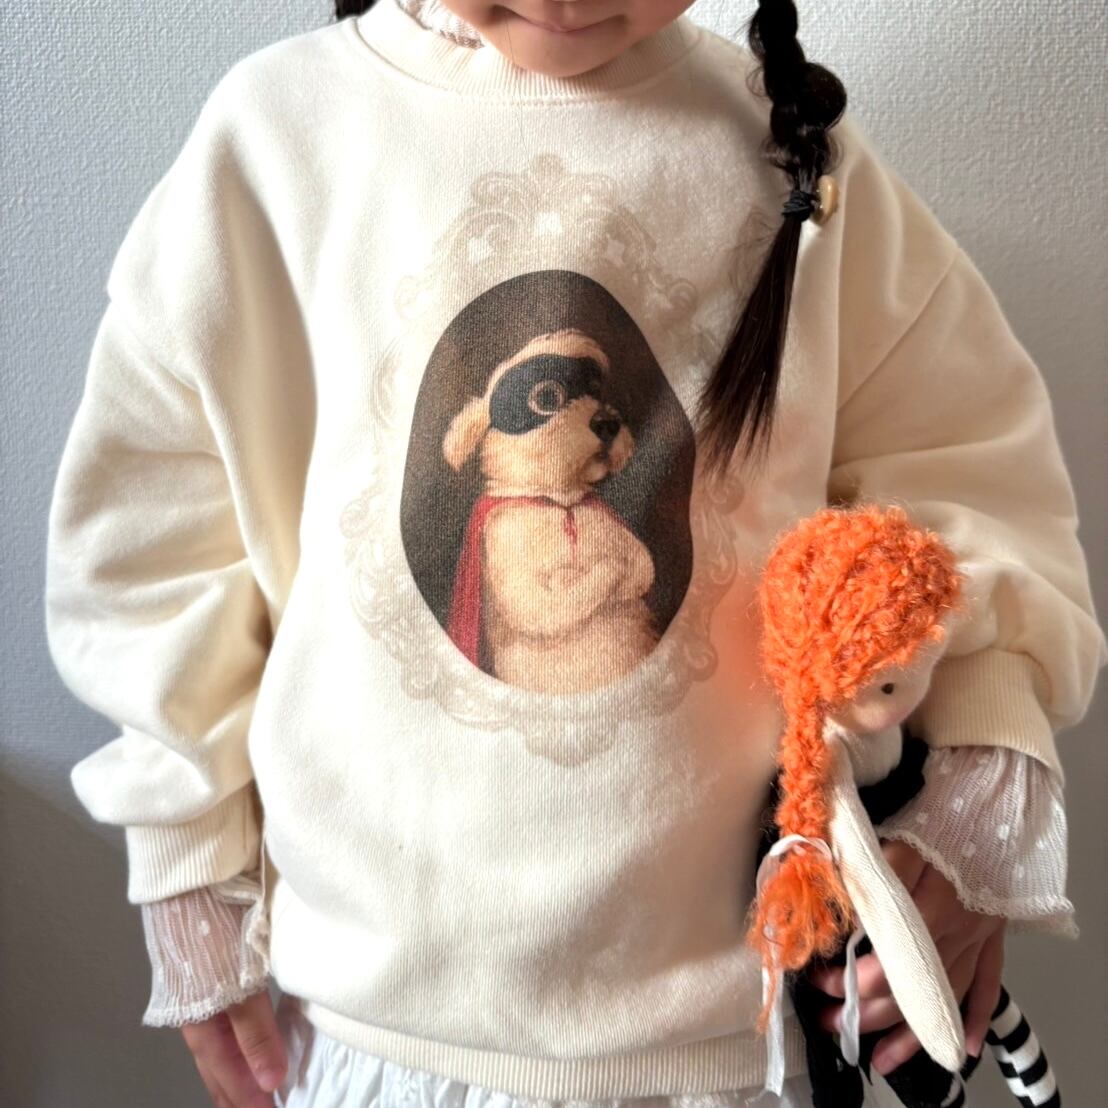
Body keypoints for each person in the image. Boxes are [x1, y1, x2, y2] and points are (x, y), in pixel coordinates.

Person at [43, 2, 1106, 1106]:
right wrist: (186, 863)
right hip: (374, 1025)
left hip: (737, 1036)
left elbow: (968, 475)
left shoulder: (790, 156)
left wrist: (979, 796)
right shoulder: (278, 138)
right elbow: (159, 528)